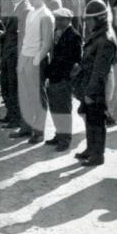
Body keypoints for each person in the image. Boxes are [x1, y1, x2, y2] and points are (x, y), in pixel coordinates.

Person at [72, 0, 117, 166]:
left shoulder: (105, 39)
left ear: (98, 19)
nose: (86, 23)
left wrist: (90, 93)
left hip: (98, 86)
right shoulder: (99, 34)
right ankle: (91, 149)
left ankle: (98, 155)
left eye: (89, 20)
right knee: (90, 118)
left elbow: (100, 71)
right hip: (91, 83)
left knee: (97, 120)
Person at [11, 0, 55, 144]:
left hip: (36, 60)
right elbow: (24, 38)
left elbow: (46, 43)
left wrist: (36, 61)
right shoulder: (30, 12)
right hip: (25, 57)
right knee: (25, 95)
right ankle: (26, 127)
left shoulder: (46, 15)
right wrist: (21, 61)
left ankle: (39, 131)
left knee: (37, 96)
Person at [45, 9, 82, 151]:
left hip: (63, 78)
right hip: (55, 77)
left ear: (69, 20)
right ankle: (59, 134)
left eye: (61, 19)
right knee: (55, 108)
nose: (58, 22)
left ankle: (65, 139)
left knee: (63, 109)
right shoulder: (58, 33)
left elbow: (75, 60)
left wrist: (66, 77)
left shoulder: (73, 36)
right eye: (57, 19)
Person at [0, 0, 28, 129]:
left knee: (14, 87)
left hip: (16, 54)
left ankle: (16, 118)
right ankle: (11, 114)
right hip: (8, 52)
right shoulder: (14, 7)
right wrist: (2, 34)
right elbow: (12, 32)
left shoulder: (25, 9)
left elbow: (24, 36)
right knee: (6, 85)